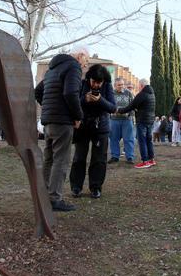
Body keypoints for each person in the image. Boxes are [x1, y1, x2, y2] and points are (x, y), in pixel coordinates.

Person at [34, 46, 87, 212]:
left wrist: (49, 107)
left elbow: (38, 91)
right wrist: (78, 116)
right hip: (62, 122)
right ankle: (54, 199)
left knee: (49, 159)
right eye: (85, 61)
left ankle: (42, 195)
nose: (84, 66)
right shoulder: (73, 67)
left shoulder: (52, 70)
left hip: (48, 122)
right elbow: (71, 93)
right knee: (61, 161)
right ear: (80, 56)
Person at [70, 64, 116, 198]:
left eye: (99, 83)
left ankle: (96, 187)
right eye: (94, 82)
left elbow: (113, 108)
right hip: (83, 126)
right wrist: (84, 99)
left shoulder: (107, 85)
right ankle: (76, 186)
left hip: (100, 127)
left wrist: (100, 100)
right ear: (89, 78)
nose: (96, 85)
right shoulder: (82, 83)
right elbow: (74, 102)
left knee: (99, 159)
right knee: (79, 157)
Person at [117, 78, 157, 169]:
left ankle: (145, 161)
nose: (138, 88)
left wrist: (119, 111)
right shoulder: (152, 94)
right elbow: (144, 106)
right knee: (149, 140)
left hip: (142, 121)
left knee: (142, 141)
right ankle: (151, 160)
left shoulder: (142, 94)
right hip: (150, 120)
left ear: (141, 85)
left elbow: (131, 106)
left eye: (139, 86)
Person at [108, 77, 135, 164]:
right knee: (113, 139)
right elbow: (107, 105)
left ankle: (130, 157)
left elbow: (133, 106)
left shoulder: (129, 93)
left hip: (127, 120)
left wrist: (130, 114)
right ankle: (115, 156)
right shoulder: (110, 93)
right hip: (114, 120)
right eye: (119, 85)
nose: (121, 86)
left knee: (129, 139)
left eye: (122, 84)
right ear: (115, 85)